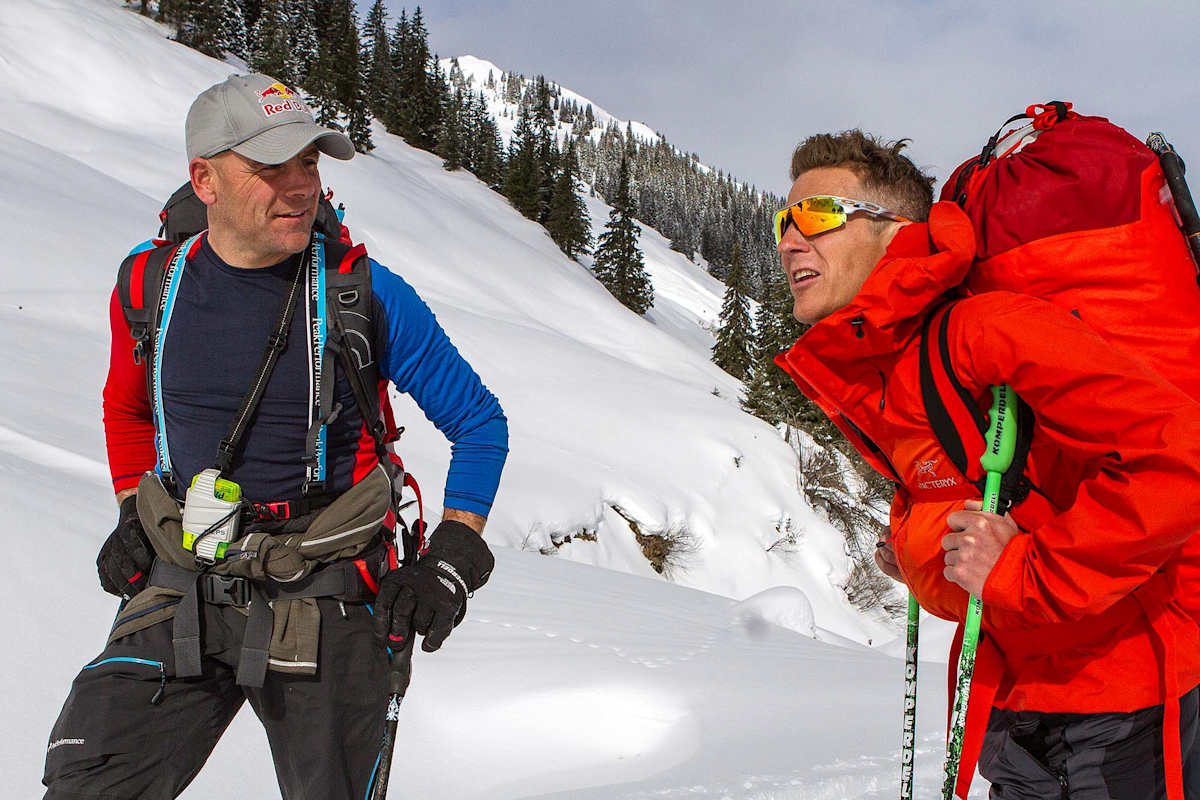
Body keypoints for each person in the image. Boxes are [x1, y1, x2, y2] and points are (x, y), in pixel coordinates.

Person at [42, 73, 508, 799]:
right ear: (205, 179)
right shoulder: (147, 285)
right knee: (86, 784)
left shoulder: (367, 296)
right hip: (185, 576)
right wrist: (133, 508)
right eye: (272, 167)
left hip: (329, 588)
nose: (301, 187)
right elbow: (127, 409)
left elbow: (479, 425)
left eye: (311, 164)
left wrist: (448, 559)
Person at [772, 131, 1200, 798]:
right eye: (782, 221)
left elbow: (1181, 453)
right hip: (1014, 704)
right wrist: (920, 557)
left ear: (894, 229)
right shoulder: (886, 373)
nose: (790, 238)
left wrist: (1028, 570)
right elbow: (990, 515)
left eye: (817, 215)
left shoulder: (984, 332)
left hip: (1127, 705)